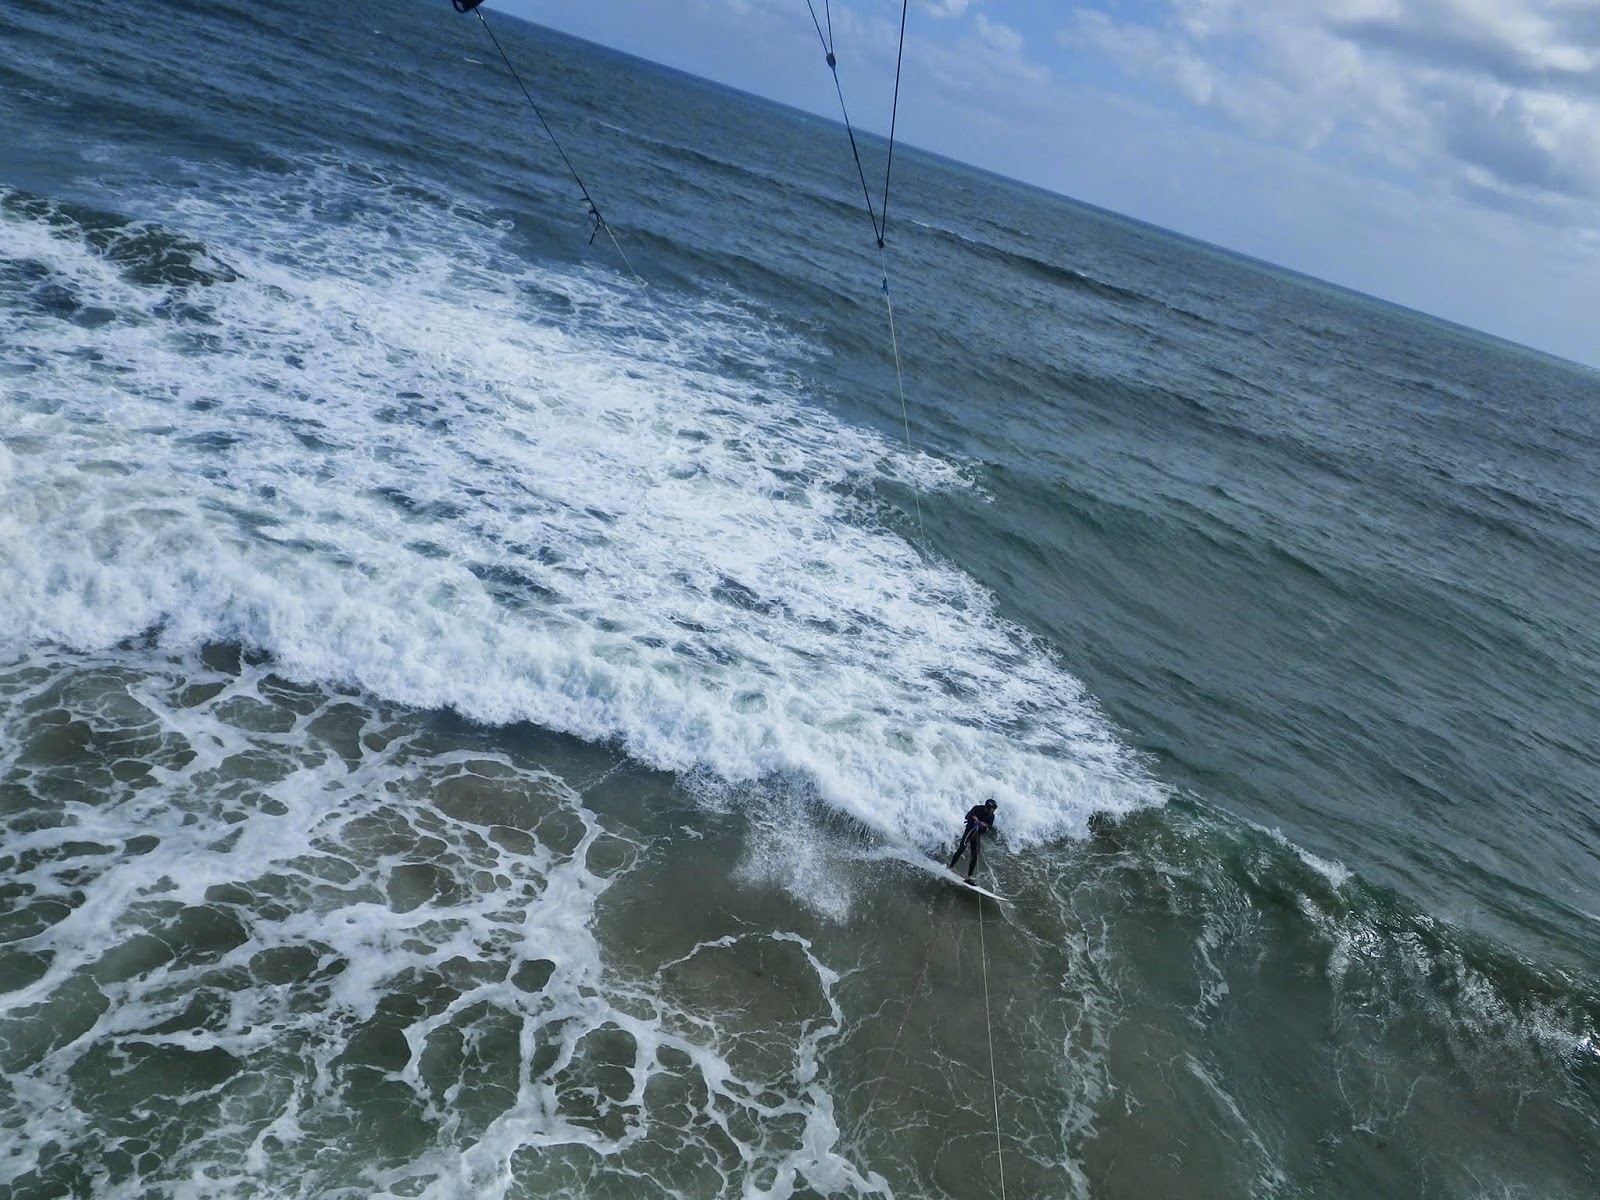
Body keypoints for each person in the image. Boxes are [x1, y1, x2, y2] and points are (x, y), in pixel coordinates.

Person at [948, 798, 998, 883]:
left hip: (977, 835)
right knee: (961, 849)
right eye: (991, 809)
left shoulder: (991, 816)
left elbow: (990, 827)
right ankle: (950, 867)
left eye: (994, 809)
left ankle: (968, 876)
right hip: (969, 831)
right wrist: (973, 817)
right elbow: (967, 816)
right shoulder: (977, 808)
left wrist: (985, 825)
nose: (992, 811)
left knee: (974, 856)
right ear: (987, 807)